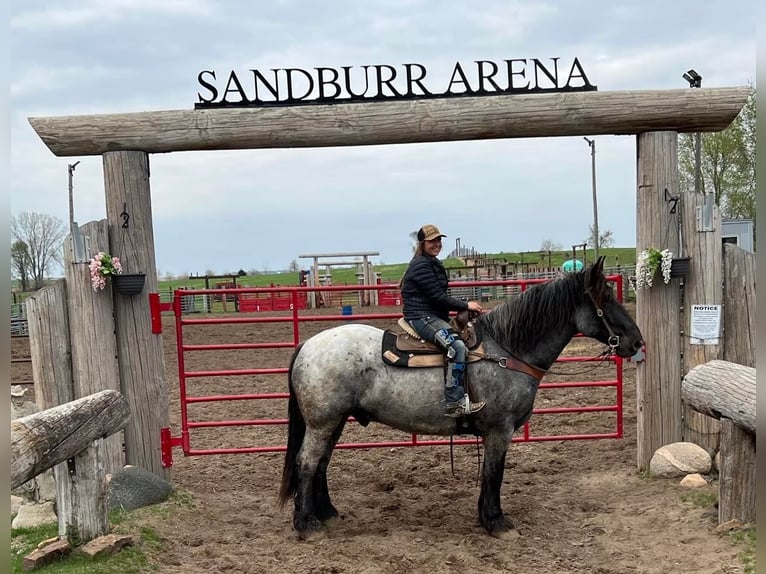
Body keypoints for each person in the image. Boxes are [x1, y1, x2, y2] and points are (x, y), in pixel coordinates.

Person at [400, 224, 486, 418]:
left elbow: (439, 295)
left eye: (439, 240)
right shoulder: (422, 265)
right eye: (432, 241)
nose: (437, 244)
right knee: (458, 347)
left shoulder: (430, 262)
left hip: (432, 314)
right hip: (422, 316)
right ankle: (454, 401)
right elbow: (438, 297)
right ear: (423, 243)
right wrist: (466, 305)